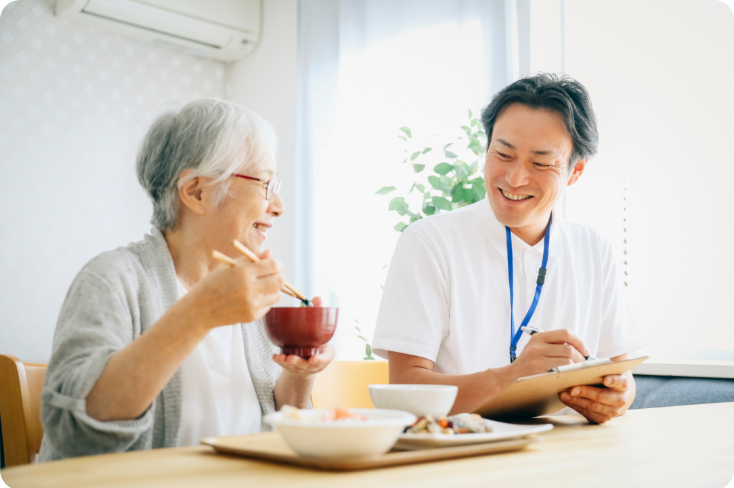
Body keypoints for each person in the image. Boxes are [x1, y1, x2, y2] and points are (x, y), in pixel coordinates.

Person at [38, 99, 334, 462]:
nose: (279, 206)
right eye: (266, 184)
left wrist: (300, 376)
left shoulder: (250, 299)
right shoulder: (112, 279)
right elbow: (76, 433)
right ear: (196, 192)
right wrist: (199, 313)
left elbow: (273, 423)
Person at [372, 74, 644, 424]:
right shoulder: (429, 242)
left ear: (575, 171)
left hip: (566, 458)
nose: (515, 179)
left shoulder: (595, 250)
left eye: (541, 163)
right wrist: (512, 376)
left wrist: (617, 397)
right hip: (460, 458)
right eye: (503, 154)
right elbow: (405, 391)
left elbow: (621, 374)